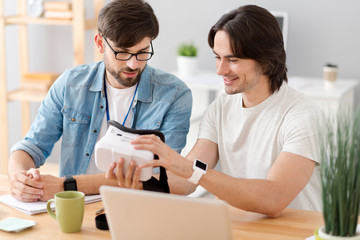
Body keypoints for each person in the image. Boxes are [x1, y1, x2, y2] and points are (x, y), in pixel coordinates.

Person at [115, 5, 322, 217]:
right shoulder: (220, 108)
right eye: (217, 57)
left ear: (267, 60)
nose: (220, 70)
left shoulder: (302, 114)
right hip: (243, 229)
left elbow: (274, 199)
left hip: (296, 233)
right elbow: (186, 181)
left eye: (232, 60)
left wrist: (193, 171)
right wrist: (139, 179)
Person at [8, 0, 192, 202]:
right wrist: (19, 177)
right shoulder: (71, 84)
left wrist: (68, 185)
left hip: (136, 207)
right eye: (122, 52)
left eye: (142, 52)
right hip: (74, 208)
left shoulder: (175, 95)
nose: (133, 64)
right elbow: (30, 147)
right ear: (99, 43)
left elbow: (165, 179)